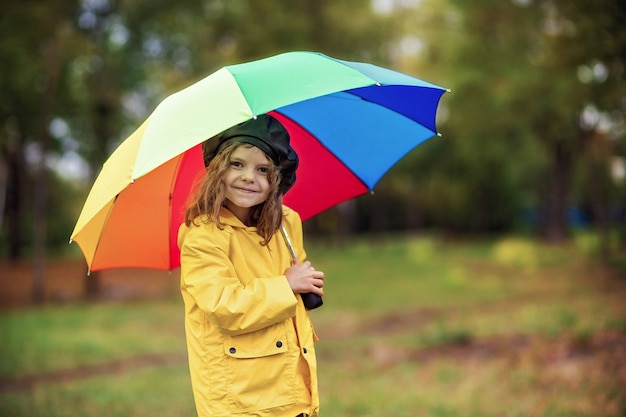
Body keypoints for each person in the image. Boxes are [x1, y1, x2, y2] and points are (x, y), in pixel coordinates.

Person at [177, 114, 325, 417]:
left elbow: (290, 290)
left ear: (277, 180)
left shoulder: (286, 223)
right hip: (240, 398)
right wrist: (287, 286)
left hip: (292, 386)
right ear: (218, 169)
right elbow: (223, 307)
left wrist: (304, 287)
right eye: (237, 164)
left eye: (262, 170)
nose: (249, 177)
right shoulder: (203, 237)